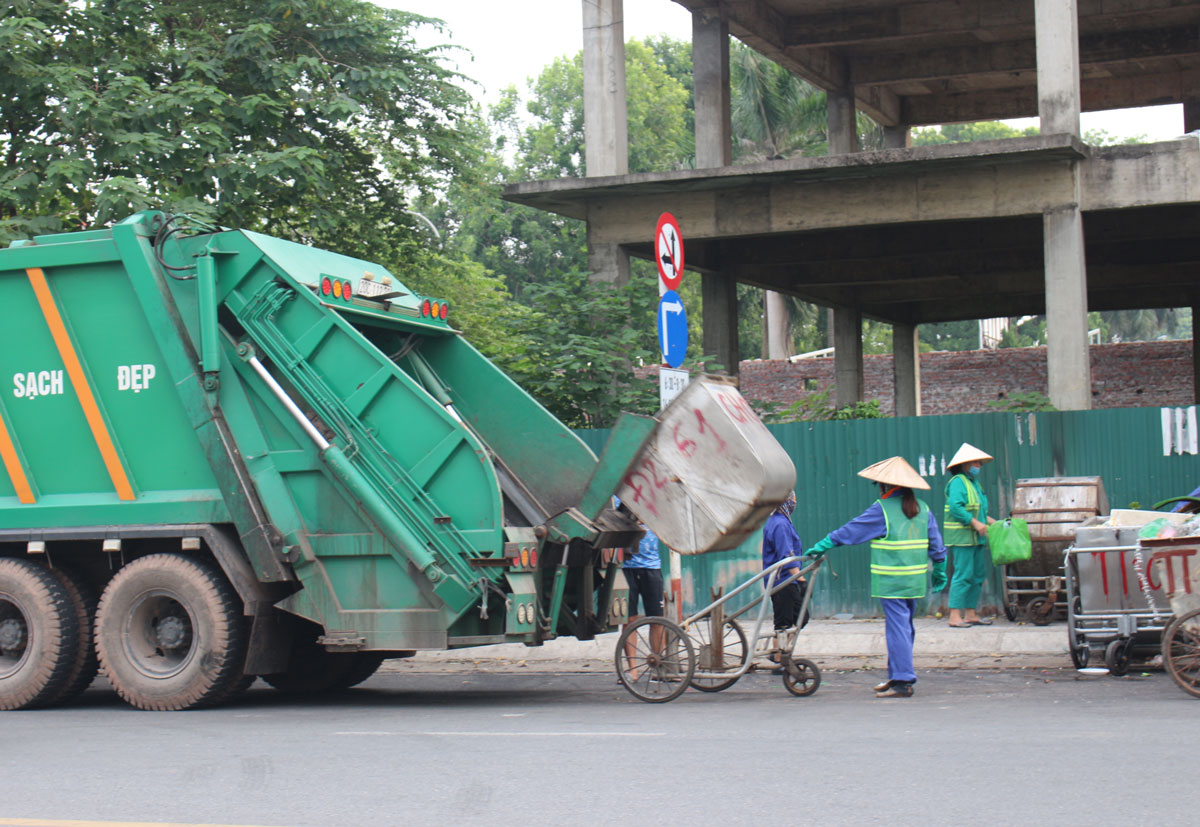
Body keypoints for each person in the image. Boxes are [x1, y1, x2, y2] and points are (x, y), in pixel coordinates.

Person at [806, 456, 947, 699]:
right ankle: (897, 675)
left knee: (897, 630)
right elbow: (936, 544)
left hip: (891, 582)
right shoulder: (923, 508)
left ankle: (903, 680)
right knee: (905, 628)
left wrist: (824, 544)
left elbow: (851, 530)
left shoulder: (882, 510)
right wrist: (941, 570)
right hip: (914, 581)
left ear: (884, 485)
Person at [943, 443, 996, 628]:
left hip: (977, 538)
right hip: (962, 538)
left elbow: (978, 511)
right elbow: (956, 508)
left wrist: (992, 522)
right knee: (963, 575)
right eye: (976, 462)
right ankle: (955, 616)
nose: (979, 465)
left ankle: (971, 613)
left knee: (977, 575)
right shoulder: (958, 481)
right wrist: (975, 523)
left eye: (980, 463)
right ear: (964, 464)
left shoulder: (974, 483)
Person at [617, 500, 664, 679]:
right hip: (626, 566)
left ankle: (659, 666)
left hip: (651, 566)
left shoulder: (653, 497)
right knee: (629, 619)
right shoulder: (617, 499)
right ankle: (632, 670)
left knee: (657, 618)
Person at [762, 490, 809, 635]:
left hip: (786, 581)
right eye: (793, 500)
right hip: (782, 581)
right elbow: (786, 556)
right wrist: (800, 579)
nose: (794, 503)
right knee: (784, 624)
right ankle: (778, 654)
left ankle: (782, 653)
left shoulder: (780, 522)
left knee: (800, 618)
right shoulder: (780, 524)